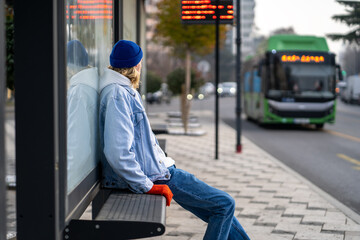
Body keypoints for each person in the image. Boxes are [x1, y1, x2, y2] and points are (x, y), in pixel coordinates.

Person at [99, 40, 251, 240]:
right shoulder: (118, 94)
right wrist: (148, 186)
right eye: (141, 62)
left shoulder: (122, 90)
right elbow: (117, 152)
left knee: (221, 209)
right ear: (136, 65)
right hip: (157, 175)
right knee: (224, 205)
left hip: (158, 169)